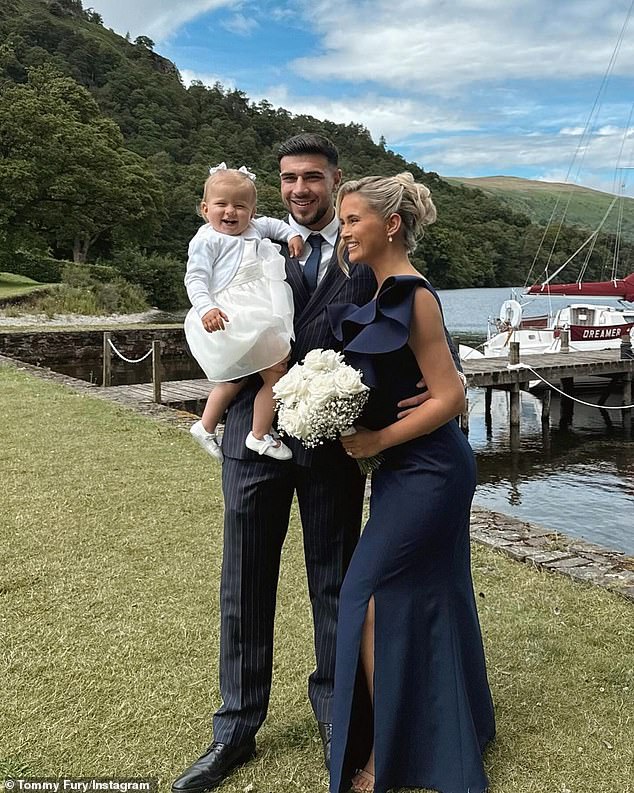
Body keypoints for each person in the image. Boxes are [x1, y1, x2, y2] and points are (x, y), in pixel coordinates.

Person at [172, 135, 461, 793]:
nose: (298, 189)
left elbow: (415, 320)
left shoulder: (366, 247)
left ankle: (339, 716)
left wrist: (421, 393)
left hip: (334, 445)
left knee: (335, 582)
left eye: (311, 177)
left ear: (334, 180)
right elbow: (206, 309)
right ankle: (234, 730)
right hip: (256, 436)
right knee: (243, 583)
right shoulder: (244, 237)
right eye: (287, 178)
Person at [328, 173, 495, 793]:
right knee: (432, 594)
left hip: (430, 469)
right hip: (406, 470)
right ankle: (454, 729)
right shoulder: (376, 289)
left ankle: (386, 755)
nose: (344, 231)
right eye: (344, 221)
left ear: (389, 225)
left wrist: (374, 442)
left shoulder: (412, 294)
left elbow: (450, 395)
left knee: (364, 598)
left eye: (352, 220)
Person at [184, 163, 304, 462]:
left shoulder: (255, 227)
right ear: (204, 208)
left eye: (240, 206)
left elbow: (276, 225)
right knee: (272, 372)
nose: (230, 212)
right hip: (229, 316)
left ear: (252, 211)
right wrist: (206, 307)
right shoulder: (206, 240)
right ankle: (258, 433)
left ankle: (207, 425)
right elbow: (195, 278)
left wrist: (291, 235)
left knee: (241, 377)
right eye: (221, 205)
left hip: (257, 311)